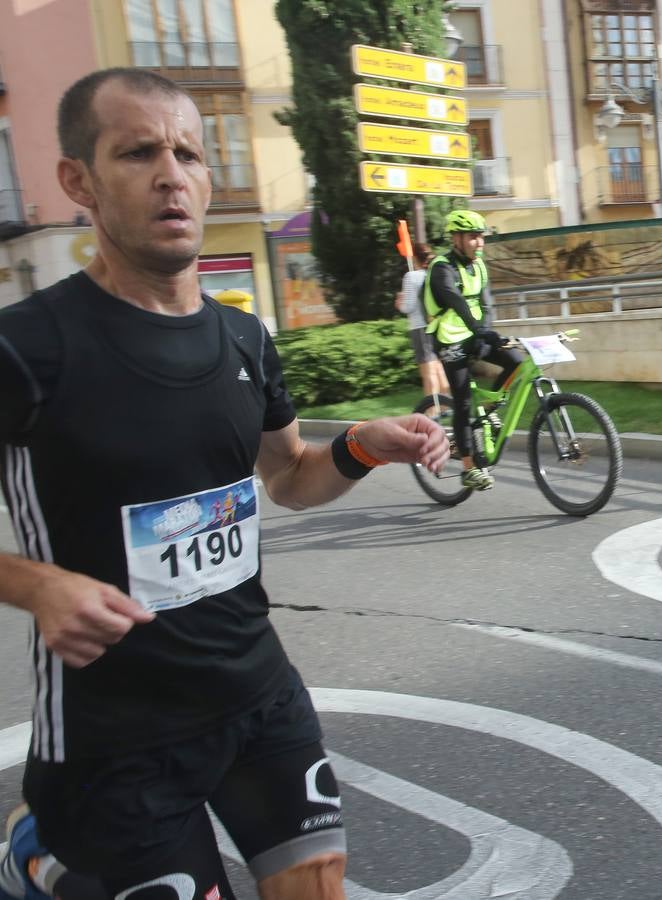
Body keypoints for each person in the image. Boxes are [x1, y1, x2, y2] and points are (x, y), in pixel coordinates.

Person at [0, 67, 448, 900]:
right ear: (79, 182)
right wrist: (38, 586)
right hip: (115, 732)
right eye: (137, 153)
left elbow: (288, 476)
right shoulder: (28, 347)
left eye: (188, 153)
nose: (172, 175)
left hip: (257, 692)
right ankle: (39, 859)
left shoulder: (243, 337)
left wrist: (358, 446)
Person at [421, 208, 524, 491]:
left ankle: (490, 409)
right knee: (464, 401)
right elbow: (457, 302)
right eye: (473, 237)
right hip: (450, 339)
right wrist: (478, 330)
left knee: (516, 360)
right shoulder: (442, 267)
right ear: (456, 238)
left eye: (481, 237)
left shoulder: (478, 265)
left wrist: (486, 333)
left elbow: (486, 304)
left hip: (475, 333)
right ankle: (469, 467)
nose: (479, 243)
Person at [396, 242, 448, 397]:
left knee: (428, 372)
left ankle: (431, 411)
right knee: (438, 368)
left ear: (414, 257)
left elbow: (408, 307)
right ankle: (447, 405)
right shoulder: (433, 273)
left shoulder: (411, 276)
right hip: (436, 325)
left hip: (420, 327)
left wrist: (399, 302)